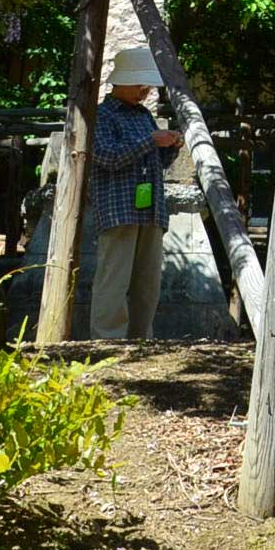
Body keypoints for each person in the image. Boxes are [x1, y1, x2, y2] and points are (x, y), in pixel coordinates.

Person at [88, 45, 181, 340]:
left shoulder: (143, 116)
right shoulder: (101, 115)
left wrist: (170, 147)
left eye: (147, 85)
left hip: (151, 209)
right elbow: (106, 156)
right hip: (118, 208)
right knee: (113, 281)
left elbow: (157, 161)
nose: (145, 91)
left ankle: (142, 341)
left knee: (148, 284)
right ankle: (108, 342)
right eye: (141, 84)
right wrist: (151, 140)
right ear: (122, 81)